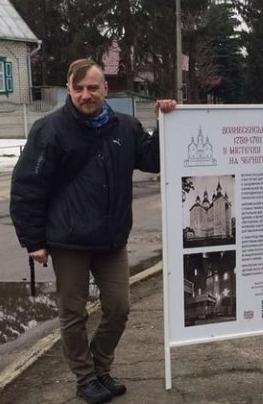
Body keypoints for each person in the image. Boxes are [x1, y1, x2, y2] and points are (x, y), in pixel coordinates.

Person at [10, 58, 176, 404]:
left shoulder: (126, 127)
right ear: (69, 90)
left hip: (111, 239)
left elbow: (155, 160)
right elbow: (28, 186)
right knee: (74, 314)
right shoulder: (50, 129)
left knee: (119, 307)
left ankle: (100, 367)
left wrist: (165, 122)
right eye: (79, 88)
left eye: (93, 88)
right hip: (68, 240)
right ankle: (86, 379)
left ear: (106, 90)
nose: (86, 95)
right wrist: (33, 241)